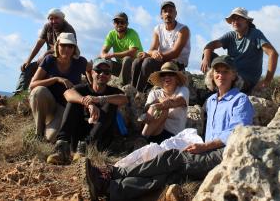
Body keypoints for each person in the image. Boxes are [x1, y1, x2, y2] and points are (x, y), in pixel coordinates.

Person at [79, 55, 254, 200]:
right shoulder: (212, 101)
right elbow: (149, 110)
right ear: (212, 75)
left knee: (173, 158)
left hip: (224, 153)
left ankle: (113, 173)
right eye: (217, 71)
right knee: (168, 177)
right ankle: (113, 189)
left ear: (234, 75)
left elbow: (237, 133)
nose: (220, 75)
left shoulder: (240, 100)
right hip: (207, 151)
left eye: (225, 72)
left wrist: (205, 146)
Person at [47, 58, 129, 165]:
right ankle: (62, 146)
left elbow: (124, 99)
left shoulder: (113, 92)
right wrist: (87, 103)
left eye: (106, 72)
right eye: (98, 71)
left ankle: (86, 147)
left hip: (97, 140)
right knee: (73, 102)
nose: (102, 74)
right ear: (92, 72)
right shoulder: (82, 89)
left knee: (111, 104)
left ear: (110, 76)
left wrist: (99, 99)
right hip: (78, 137)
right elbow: (67, 94)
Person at [201, 7, 278, 94]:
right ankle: (210, 89)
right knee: (208, 54)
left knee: (231, 79)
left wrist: (267, 81)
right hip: (230, 74)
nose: (235, 21)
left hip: (246, 80)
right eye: (233, 19)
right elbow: (210, 46)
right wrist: (206, 58)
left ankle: (220, 91)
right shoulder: (230, 36)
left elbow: (273, 53)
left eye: (239, 18)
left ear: (247, 21)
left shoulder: (255, 34)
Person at [29, 32, 89, 142]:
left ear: (74, 48)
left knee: (51, 138)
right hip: (48, 103)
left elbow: (91, 71)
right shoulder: (49, 60)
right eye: (63, 45)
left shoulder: (80, 62)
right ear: (57, 45)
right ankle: (38, 132)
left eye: (70, 46)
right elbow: (32, 84)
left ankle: (49, 130)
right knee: (38, 91)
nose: (67, 49)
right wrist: (56, 79)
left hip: (64, 107)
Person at [131, 1, 190, 92]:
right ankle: (132, 90)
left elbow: (175, 53)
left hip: (176, 64)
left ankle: (139, 93)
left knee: (148, 62)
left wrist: (154, 55)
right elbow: (152, 49)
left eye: (170, 11)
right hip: (161, 60)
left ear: (175, 13)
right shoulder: (158, 29)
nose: (168, 14)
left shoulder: (183, 29)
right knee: (137, 61)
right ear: (161, 15)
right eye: (165, 11)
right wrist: (153, 53)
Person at [14, 8, 76, 95]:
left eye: (56, 18)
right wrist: (28, 60)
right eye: (51, 19)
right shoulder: (47, 27)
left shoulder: (68, 30)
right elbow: (39, 44)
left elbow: (69, 49)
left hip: (61, 60)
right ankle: (19, 93)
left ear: (62, 19)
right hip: (47, 58)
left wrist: (46, 54)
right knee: (27, 68)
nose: (54, 21)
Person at [139, 62, 189, 144]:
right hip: (153, 131)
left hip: (173, 135)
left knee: (163, 108)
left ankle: (142, 139)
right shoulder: (155, 93)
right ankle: (142, 139)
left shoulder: (183, 90)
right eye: (163, 75)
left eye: (170, 74)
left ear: (176, 78)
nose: (166, 77)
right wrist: (156, 104)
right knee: (161, 108)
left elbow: (177, 101)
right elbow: (147, 112)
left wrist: (157, 103)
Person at [99, 12, 143, 86]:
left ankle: (121, 86)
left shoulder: (132, 33)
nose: (119, 24)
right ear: (114, 23)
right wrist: (104, 56)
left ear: (127, 24)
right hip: (121, 67)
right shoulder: (111, 34)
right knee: (99, 60)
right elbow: (103, 51)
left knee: (127, 59)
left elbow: (132, 52)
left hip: (135, 68)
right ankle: (98, 84)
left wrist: (113, 55)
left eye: (122, 22)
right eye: (116, 22)